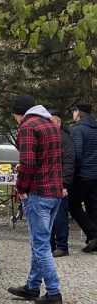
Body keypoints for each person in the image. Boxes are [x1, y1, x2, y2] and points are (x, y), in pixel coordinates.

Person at [8, 96, 63, 304]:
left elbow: (28, 163)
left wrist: (21, 186)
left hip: (39, 193)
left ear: (17, 113)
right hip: (55, 191)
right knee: (41, 241)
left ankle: (53, 292)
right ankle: (32, 286)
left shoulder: (27, 127)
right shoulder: (50, 124)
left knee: (40, 244)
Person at [69, 104, 97, 252]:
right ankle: (92, 241)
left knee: (73, 205)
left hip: (83, 175)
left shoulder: (78, 129)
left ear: (78, 112)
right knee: (93, 207)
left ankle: (93, 235)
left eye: (73, 111)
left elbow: (77, 155)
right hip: (95, 174)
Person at [49, 109, 75, 257]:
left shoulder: (64, 139)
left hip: (60, 182)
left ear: (58, 123)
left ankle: (62, 246)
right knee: (52, 215)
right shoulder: (53, 137)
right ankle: (52, 245)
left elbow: (69, 162)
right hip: (51, 181)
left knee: (59, 216)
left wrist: (64, 184)